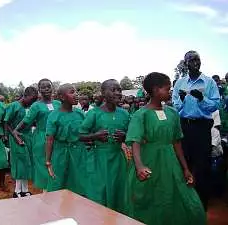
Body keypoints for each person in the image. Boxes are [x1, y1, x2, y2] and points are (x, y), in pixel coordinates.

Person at [126, 72, 206, 225]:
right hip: (150, 161)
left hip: (170, 162)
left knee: (177, 196)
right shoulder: (140, 114)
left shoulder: (172, 113)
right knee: (151, 197)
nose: (170, 91)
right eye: (167, 88)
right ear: (155, 90)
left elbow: (176, 142)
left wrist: (185, 168)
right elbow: (135, 142)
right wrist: (139, 166)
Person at [172, 50, 220, 210]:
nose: (195, 63)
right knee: (184, 162)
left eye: (197, 60)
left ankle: (200, 204)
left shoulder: (209, 82)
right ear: (185, 64)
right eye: (191, 60)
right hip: (184, 126)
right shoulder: (180, 83)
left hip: (201, 128)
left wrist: (201, 99)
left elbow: (215, 105)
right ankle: (184, 203)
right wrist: (182, 99)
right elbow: (176, 106)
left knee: (202, 165)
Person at [79, 79, 130, 214]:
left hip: (118, 160)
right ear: (103, 93)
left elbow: (132, 135)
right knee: (99, 195)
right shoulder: (94, 113)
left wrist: (125, 136)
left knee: (118, 193)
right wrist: (95, 136)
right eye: (113, 90)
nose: (118, 93)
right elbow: (80, 135)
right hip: (99, 160)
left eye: (119, 90)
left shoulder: (124, 113)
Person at [14, 79, 61, 191]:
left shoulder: (58, 104)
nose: (46, 89)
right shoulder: (36, 106)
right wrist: (16, 130)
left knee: (57, 163)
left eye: (48, 86)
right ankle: (46, 192)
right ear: (39, 90)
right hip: (42, 139)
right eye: (43, 87)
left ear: (52, 88)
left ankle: (57, 190)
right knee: (44, 165)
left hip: (57, 138)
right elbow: (27, 120)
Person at [45, 84, 87, 195]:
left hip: (78, 153)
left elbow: (87, 133)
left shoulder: (80, 114)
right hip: (60, 154)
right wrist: (48, 161)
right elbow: (49, 139)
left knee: (79, 184)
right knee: (58, 184)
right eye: (72, 92)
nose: (76, 94)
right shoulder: (54, 116)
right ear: (62, 97)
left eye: (76, 91)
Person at [4, 86, 38, 198]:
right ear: (25, 96)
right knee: (19, 162)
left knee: (27, 162)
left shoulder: (29, 107)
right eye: (32, 99)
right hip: (16, 137)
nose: (33, 102)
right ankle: (17, 190)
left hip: (28, 136)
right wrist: (13, 135)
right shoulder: (14, 106)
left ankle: (25, 189)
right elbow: (6, 123)